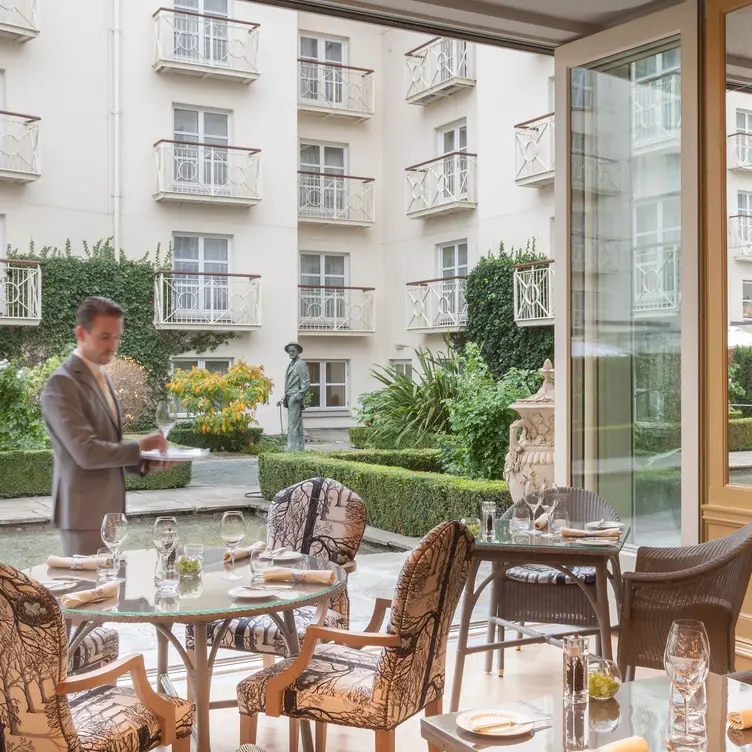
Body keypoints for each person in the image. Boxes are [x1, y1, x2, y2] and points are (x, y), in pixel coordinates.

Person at [41, 296, 171, 556]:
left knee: (114, 594)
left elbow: (108, 446)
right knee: (88, 595)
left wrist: (144, 461)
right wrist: (139, 447)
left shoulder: (102, 376)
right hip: (84, 518)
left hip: (112, 515)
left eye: (116, 337)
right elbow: (86, 453)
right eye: (104, 337)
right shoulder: (61, 384)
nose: (113, 345)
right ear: (81, 333)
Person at [277, 341, 310, 452]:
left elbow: (306, 383)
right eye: (289, 351)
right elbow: (289, 384)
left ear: (297, 352)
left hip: (295, 397)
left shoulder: (301, 364)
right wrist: (283, 398)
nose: (290, 353)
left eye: (293, 351)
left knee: (292, 425)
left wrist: (297, 396)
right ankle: (299, 449)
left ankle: (292, 450)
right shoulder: (291, 365)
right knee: (298, 425)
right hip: (290, 396)